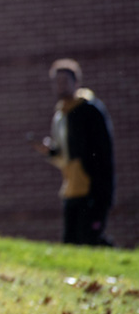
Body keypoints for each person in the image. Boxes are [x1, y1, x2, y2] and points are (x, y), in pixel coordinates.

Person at [38, 59, 115, 247]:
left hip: (90, 188)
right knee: (70, 242)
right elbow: (65, 156)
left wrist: (102, 191)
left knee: (90, 239)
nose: (61, 86)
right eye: (57, 82)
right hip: (71, 188)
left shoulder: (90, 111)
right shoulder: (60, 115)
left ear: (76, 82)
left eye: (65, 81)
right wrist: (50, 152)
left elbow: (103, 153)